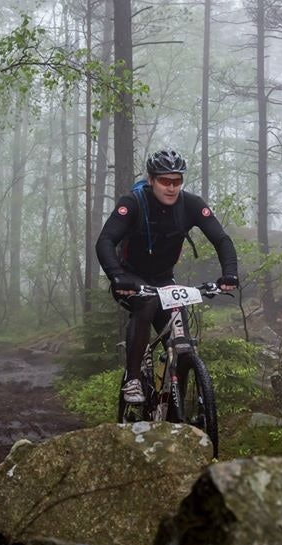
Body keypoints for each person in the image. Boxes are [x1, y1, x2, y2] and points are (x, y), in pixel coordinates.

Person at [95, 149, 239, 403]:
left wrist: (229, 273)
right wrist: (117, 276)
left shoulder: (191, 205)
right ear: (151, 180)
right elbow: (105, 240)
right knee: (146, 303)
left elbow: (221, 239)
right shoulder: (133, 202)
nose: (171, 187)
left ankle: (176, 408)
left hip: (164, 279)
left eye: (177, 181)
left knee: (181, 342)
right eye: (164, 181)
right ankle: (133, 378)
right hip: (131, 279)